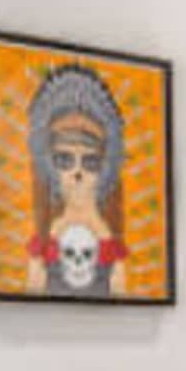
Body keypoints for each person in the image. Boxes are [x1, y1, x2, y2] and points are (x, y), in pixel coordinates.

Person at [25, 62, 128, 296]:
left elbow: (120, 295)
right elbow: (32, 291)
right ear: (49, 164)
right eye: (65, 160)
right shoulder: (45, 234)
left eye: (90, 162)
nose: (78, 172)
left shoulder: (109, 237)